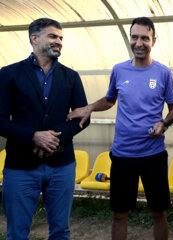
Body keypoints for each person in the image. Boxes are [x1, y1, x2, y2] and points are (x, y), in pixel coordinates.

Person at [66, 17, 173, 240]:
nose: (139, 42)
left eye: (145, 38)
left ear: (154, 40)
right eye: (134, 37)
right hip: (122, 154)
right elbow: (109, 100)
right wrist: (89, 108)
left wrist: (163, 123)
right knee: (119, 215)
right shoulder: (119, 70)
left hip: (153, 154)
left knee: (158, 212)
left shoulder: (164, 73)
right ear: (129, 39)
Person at [0, 18, 89, 239]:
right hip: (20, 166)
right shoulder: (8, 74)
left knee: (61, 231)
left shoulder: (71, 76)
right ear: (34, 38)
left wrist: (53, 140)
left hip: (61, 165)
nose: (58, 41)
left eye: (60, 38)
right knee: (17, 233)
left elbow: (83, 117)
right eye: (53, 36)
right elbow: (0, 119)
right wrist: (33, 136)